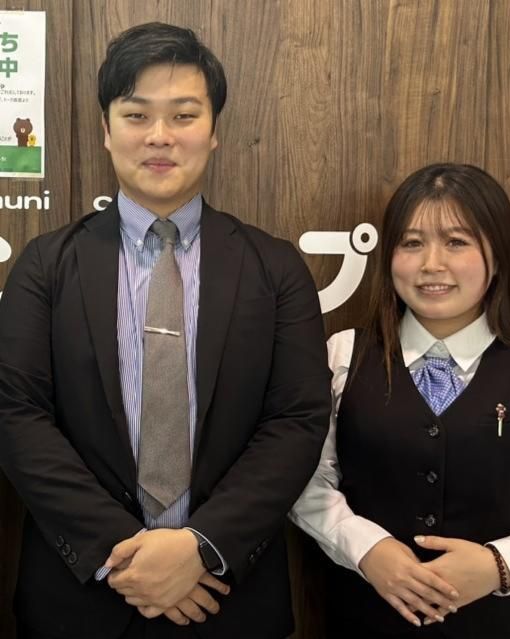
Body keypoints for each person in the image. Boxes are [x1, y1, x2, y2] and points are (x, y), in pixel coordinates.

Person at [0, 22, 331, 639]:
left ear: (214, 130)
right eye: (136, 115)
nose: (159, 136)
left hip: (226, 596)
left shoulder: (274, 268)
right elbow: (17, 415)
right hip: (81, 600)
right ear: (106, 130)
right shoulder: (46, 265)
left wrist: (202, 545)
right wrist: (122, 555)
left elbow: (297, 420)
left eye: (183, 115)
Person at [290, 163, 510, 639]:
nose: (431, 264)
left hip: (509, 625)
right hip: (365, 619)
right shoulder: (342, 356)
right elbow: (305, 481)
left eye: (457, 242)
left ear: (497, 256)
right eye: (412, 243)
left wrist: (501, 565)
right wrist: (367, 548)